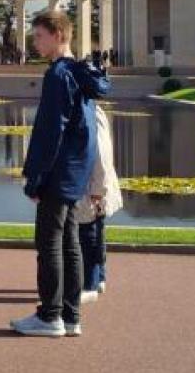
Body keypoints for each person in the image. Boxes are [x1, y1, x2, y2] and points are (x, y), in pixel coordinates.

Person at [10, 9, 110, 338]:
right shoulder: (80, 73)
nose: (34, 42)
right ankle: (70, 316)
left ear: (58, 35)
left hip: (58, 172)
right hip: (74, 172)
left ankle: (50, 315)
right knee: (69, 244)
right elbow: (85, 133)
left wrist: (36, 176)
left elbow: (51, 131)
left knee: (49, 244)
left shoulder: (58, 74)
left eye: (39, 36)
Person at [75, 104, 121, 304]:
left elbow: (101, 153)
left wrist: (97, 190)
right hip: (96, 184)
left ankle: (90, 283)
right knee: (96, 230)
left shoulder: (90, 113)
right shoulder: (92, 110)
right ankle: (98, 277)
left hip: (93, 185)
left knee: (89, 233)